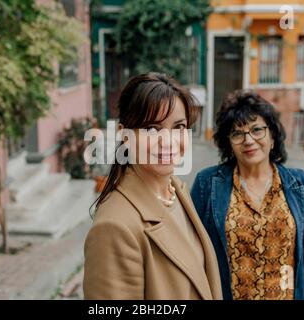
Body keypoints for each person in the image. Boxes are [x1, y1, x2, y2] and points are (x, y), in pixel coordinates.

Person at [83, 72, 223, 300]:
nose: (168, 141)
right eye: (152, 129)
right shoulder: (115, 227)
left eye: (178, 127)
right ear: (125, 135)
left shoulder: (176, 191)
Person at [191, 90, 304, 300]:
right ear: (229, 143)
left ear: (272, 136)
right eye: (238, 133)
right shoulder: (207, 184)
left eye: (257, 130)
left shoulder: (301, 185)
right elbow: (193, 255)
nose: (248, 140)